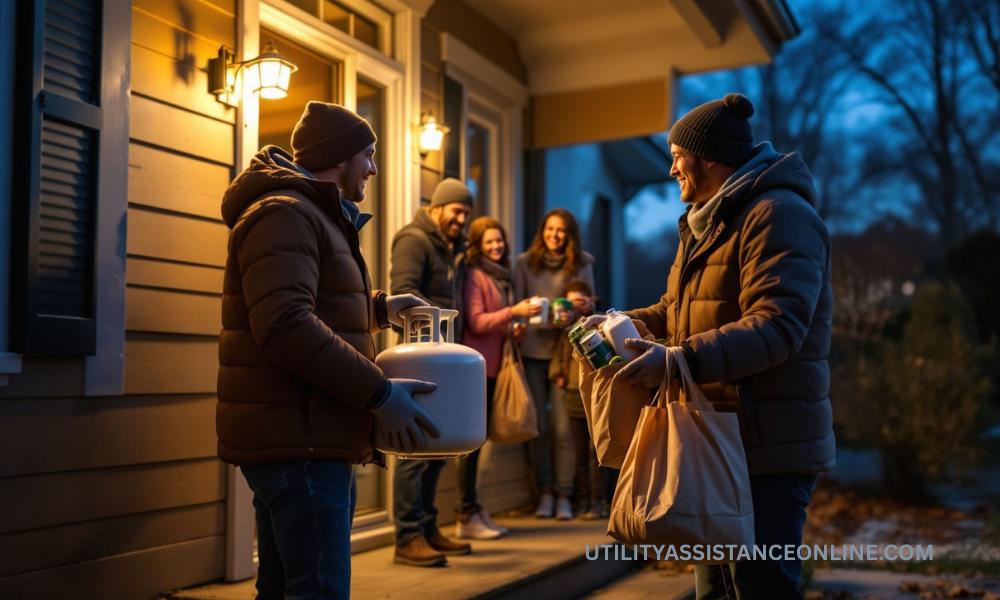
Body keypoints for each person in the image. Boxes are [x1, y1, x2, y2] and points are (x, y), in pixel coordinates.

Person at [587, 93, 834, 599]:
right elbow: (674, 311)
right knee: (715, 592)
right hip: (714, 437)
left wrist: (681, 360)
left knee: (760, 589)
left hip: (764, 446)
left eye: (679, 154)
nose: (671, 166)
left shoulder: (778, 215)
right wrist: (618, 323)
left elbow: (778, 325)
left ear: (710, 156)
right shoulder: (707, 221)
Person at [217, 101, 440, 599]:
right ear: (340, 156)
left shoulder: (305, 213)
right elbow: (286, 325)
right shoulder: (284, 214)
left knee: (282, 589)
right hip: (301, 439)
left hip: (303, 434)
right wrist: (381, 395)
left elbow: (307, 305)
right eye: (369, 154)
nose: (374, 168)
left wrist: (379, 309)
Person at [389, 177, 474, 566]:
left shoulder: (450, 247)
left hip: (444, 359)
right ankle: (408, 536)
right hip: (421, 358)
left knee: (438, 446)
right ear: (437, 207)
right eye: (456, 211)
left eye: (466, 213)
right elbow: (403, 292)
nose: (461, 219)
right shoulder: (414, 240)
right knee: (416, 448)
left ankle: (427, 527)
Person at [456, 216, 542, 539]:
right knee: (472, 445)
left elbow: (497, 325)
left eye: (499, 240)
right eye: (489, 241)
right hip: (477, 369)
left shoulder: (501, 278)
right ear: (478, 246)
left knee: (481, 442)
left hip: (495, 369)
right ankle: (466, 512)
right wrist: (514, 312)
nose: (496, 246)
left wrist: (515, 329)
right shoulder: (475, 276)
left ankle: (474, 507)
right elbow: (476, 323)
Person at [513, 208, 596, 520]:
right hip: (533, 352)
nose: (554, 235)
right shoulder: (524, 263)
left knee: (564, 429)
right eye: (550, 229)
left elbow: (589, 308)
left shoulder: (583, 264)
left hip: (566, 357)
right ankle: (544, 492)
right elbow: (516, 308)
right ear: (542, 231)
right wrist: (518, 323)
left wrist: (586, 307)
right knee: (540, 428)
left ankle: (564, 493)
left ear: (570, 234)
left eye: (561, 230)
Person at [547, 280, 607, 520]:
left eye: (581, 301)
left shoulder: (597, 325)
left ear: (590, 301)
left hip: (595, 396)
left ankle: (599, 502)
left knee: (597, 454)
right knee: (579, 454)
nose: (576, 306)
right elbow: (558, 357)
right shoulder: (566, 332)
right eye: (571, 302)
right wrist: (556, 373)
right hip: (573, 396)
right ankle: (582, 501)